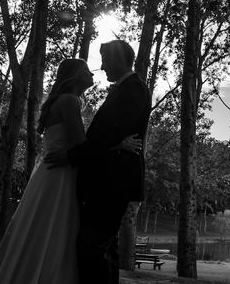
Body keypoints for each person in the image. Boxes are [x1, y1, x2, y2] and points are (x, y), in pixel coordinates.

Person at [46, 40, 152, 284]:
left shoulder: (134, 89)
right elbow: (109, 137)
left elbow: (109, 133)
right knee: (103, 249)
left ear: (116, 59)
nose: (102, 67)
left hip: (112, 182)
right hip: (105, 182)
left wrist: (71, 156)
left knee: (91, 248)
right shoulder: (124, 89)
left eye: (104, 60)